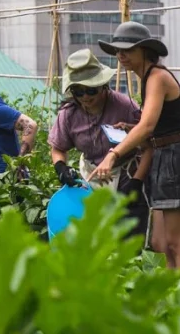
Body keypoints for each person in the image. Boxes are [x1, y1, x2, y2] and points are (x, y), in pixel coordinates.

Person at [91, 21, 180, 269]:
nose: (121, 55)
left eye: (128, 50)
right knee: (160, 243)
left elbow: (146, 126)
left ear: (145, 51)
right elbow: (154, 130)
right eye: (117, 51)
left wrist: (112, 156)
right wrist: (129, 131)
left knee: (179, 244)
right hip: (165, 158)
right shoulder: (147, 80)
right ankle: (172, 299)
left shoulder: (157, 76)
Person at [47, 49, 149, 238]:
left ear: (103, 86)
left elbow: (149, 145)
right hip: (90, 179)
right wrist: (61, 168)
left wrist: (136, 182)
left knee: (128, 239)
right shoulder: (69, 114)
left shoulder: (124, 106)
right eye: (79, 91)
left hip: (126, 177)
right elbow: (58, 148)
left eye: (91, 90)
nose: (85, 97)